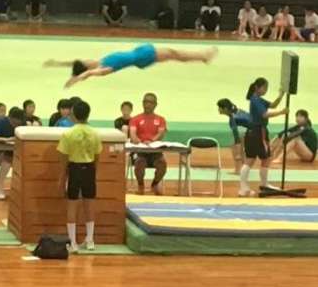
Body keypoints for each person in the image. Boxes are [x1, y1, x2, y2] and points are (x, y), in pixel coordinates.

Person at [44, 44, 217, 88]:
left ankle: (202, 57)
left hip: (139, 52)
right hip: (142, 56)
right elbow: (87, 74)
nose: (86, 60)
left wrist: (56, 64)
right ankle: (203, 56)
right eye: (85, 64)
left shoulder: (95, 62)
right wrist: (74, 80)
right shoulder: (104, 69)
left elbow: (76, 62)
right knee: (174, 54)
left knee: (175, 55)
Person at [57, 100, 102, 252]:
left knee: (72, 205)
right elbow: (97, 157)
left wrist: (61, 180)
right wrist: (93, 173)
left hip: (74, 169)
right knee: (89, 205)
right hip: (89, 169)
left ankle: (73, 243)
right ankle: (90, 240)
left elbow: (63, 160)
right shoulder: (95, 133)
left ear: (73, 114)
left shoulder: (68, 133)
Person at [239, 78, 287, 197]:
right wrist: (281, 112)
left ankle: (246, 188)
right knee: (262, 158)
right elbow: (265, 114)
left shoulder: (258, 99)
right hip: (258, 132)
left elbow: (273, 105)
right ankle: (258, 185)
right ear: (257, 87)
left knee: (254, 159)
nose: (266, 90)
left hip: (254, 131)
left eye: (267, 88)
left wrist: (281, 95)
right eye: (264, 87)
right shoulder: (255, 100)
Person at [129, 93, 167, 194]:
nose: (147, 104)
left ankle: (154, 184)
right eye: (145, 102)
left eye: (150, 102)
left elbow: (161, 133)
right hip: (141, 152)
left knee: (162, 164)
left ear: (155, 104)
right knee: (139, 163)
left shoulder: (161, 119)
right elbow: (133, 134)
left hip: (155, 152)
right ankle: (140, 185)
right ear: (142, 103)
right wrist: (141, 142)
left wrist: (151, 141)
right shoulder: (135, 119)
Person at [0, 106, 25, 199]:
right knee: (7, 161)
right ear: (9, 118)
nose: (15, 125)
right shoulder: (1, 122)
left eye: (18, 123)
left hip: (16, 152)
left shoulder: (23, 124)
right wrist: (6, 139)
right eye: (14, 123)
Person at [217, 98, 251, 174]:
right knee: (239, 147)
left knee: (236, 148)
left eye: (219, 107)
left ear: (225, 109)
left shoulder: (234, 118)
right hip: (253, 130)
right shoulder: (237, 111)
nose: (218, 109)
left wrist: (238, 152)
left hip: (253, 131)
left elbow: (237, 137)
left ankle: (238, 170)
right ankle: (244, 169)